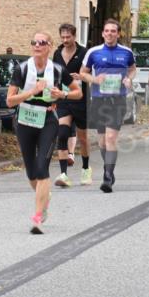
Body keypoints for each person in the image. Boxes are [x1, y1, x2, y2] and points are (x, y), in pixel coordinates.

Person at [6, 31, 82, 234]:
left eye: (41, 42)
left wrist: (62, 94)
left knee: (42, 168)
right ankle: (44, 199)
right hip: (24, 120)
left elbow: (78, 92)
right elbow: (9, 101)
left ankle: (38, 217)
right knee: (31, 172)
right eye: (34, 42)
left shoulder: (57, 70)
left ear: (49, 46)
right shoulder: (22, 69)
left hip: (48, 120)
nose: (37, 45)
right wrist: (32, 91)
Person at [79, 19, 136, 192]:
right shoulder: (93, 52)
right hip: (98, 100)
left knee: (111, 138)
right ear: (103, 33)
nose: (110, 34)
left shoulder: (126, 52)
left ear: (118, 34)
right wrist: (94, 79)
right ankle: (108, 166)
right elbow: (83, 73)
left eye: (113, 31)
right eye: (107, 31)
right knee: (102, 142)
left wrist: (129, 79)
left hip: (117, 100)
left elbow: (133, 69)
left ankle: (108, 178)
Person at [52, 23, 91, 187]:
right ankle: (63, 175)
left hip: (80, 99)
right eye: (63, 37)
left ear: (75, 36)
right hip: (63, 99)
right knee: (62, 133)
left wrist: (82, 76)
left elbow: (91, 74)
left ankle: (86, 169)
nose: (65, 40)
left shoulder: (84, 53)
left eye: (68, 37)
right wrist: (52, 99)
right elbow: (54, 75)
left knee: (82, 137)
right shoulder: (57, 53)